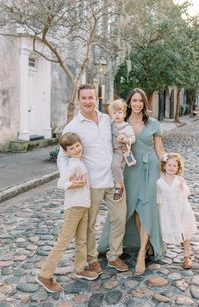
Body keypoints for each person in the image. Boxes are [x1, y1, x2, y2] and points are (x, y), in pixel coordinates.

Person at [57, 84, 128, 275]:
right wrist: (69, 179)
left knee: (120, 218)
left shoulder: (107, 119)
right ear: (78, 100)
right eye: (84, 98)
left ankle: (114, 256)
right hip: (91, 185)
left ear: (96, 99)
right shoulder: (73, 126)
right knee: (89, 225)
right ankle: (91, 258)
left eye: (91, 97)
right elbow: (62, 156)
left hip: (114, 181)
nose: (88, 101)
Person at [99, 88, 166, 275]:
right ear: (129, 103)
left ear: (145, 103)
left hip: (149, 168)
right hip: (128, 169)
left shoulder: (153, 124)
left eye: (140, 101)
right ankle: (116, 246)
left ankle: (142, 253)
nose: (137, 104)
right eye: (134, 100)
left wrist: (170, 164)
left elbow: (160, 150)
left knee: (146, 207)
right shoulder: (121, 122)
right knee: (131, 209)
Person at [36, 132, 98, 294]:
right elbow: (61, 183)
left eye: (78, 145)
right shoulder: (72, 164)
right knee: (64, 241)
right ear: (66, 151)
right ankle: (44, 274)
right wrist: (76, 184)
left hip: (83, 205)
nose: (76, 149)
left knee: (81, 239)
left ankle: (80, 267)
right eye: (72, 148)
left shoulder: (79, 161)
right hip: (74, 207)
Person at [157, 152, 197, 269]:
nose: (171, 168)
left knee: (186, 230)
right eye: (169, 165)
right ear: (164, 166)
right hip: (168, 211)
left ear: (178, 168)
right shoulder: (159, 182)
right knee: (171, 230)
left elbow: (185, 195)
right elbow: (158, 198)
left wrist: (182, 188)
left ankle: (186, 256)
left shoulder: (180, 180)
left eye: (175, 166)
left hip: (182, 209)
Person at [108, 99, 136, 202]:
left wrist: (126, 139)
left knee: (115, 165)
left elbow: (133, 138)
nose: (117, 115)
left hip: (120, 150)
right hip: (111, 149)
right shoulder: (110, 125)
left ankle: (119, 185)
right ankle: (113, 182)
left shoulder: (127, 127)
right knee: (111, 166)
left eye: (119, 112)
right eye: (114, 113)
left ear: (124, 114)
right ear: (111, 115)